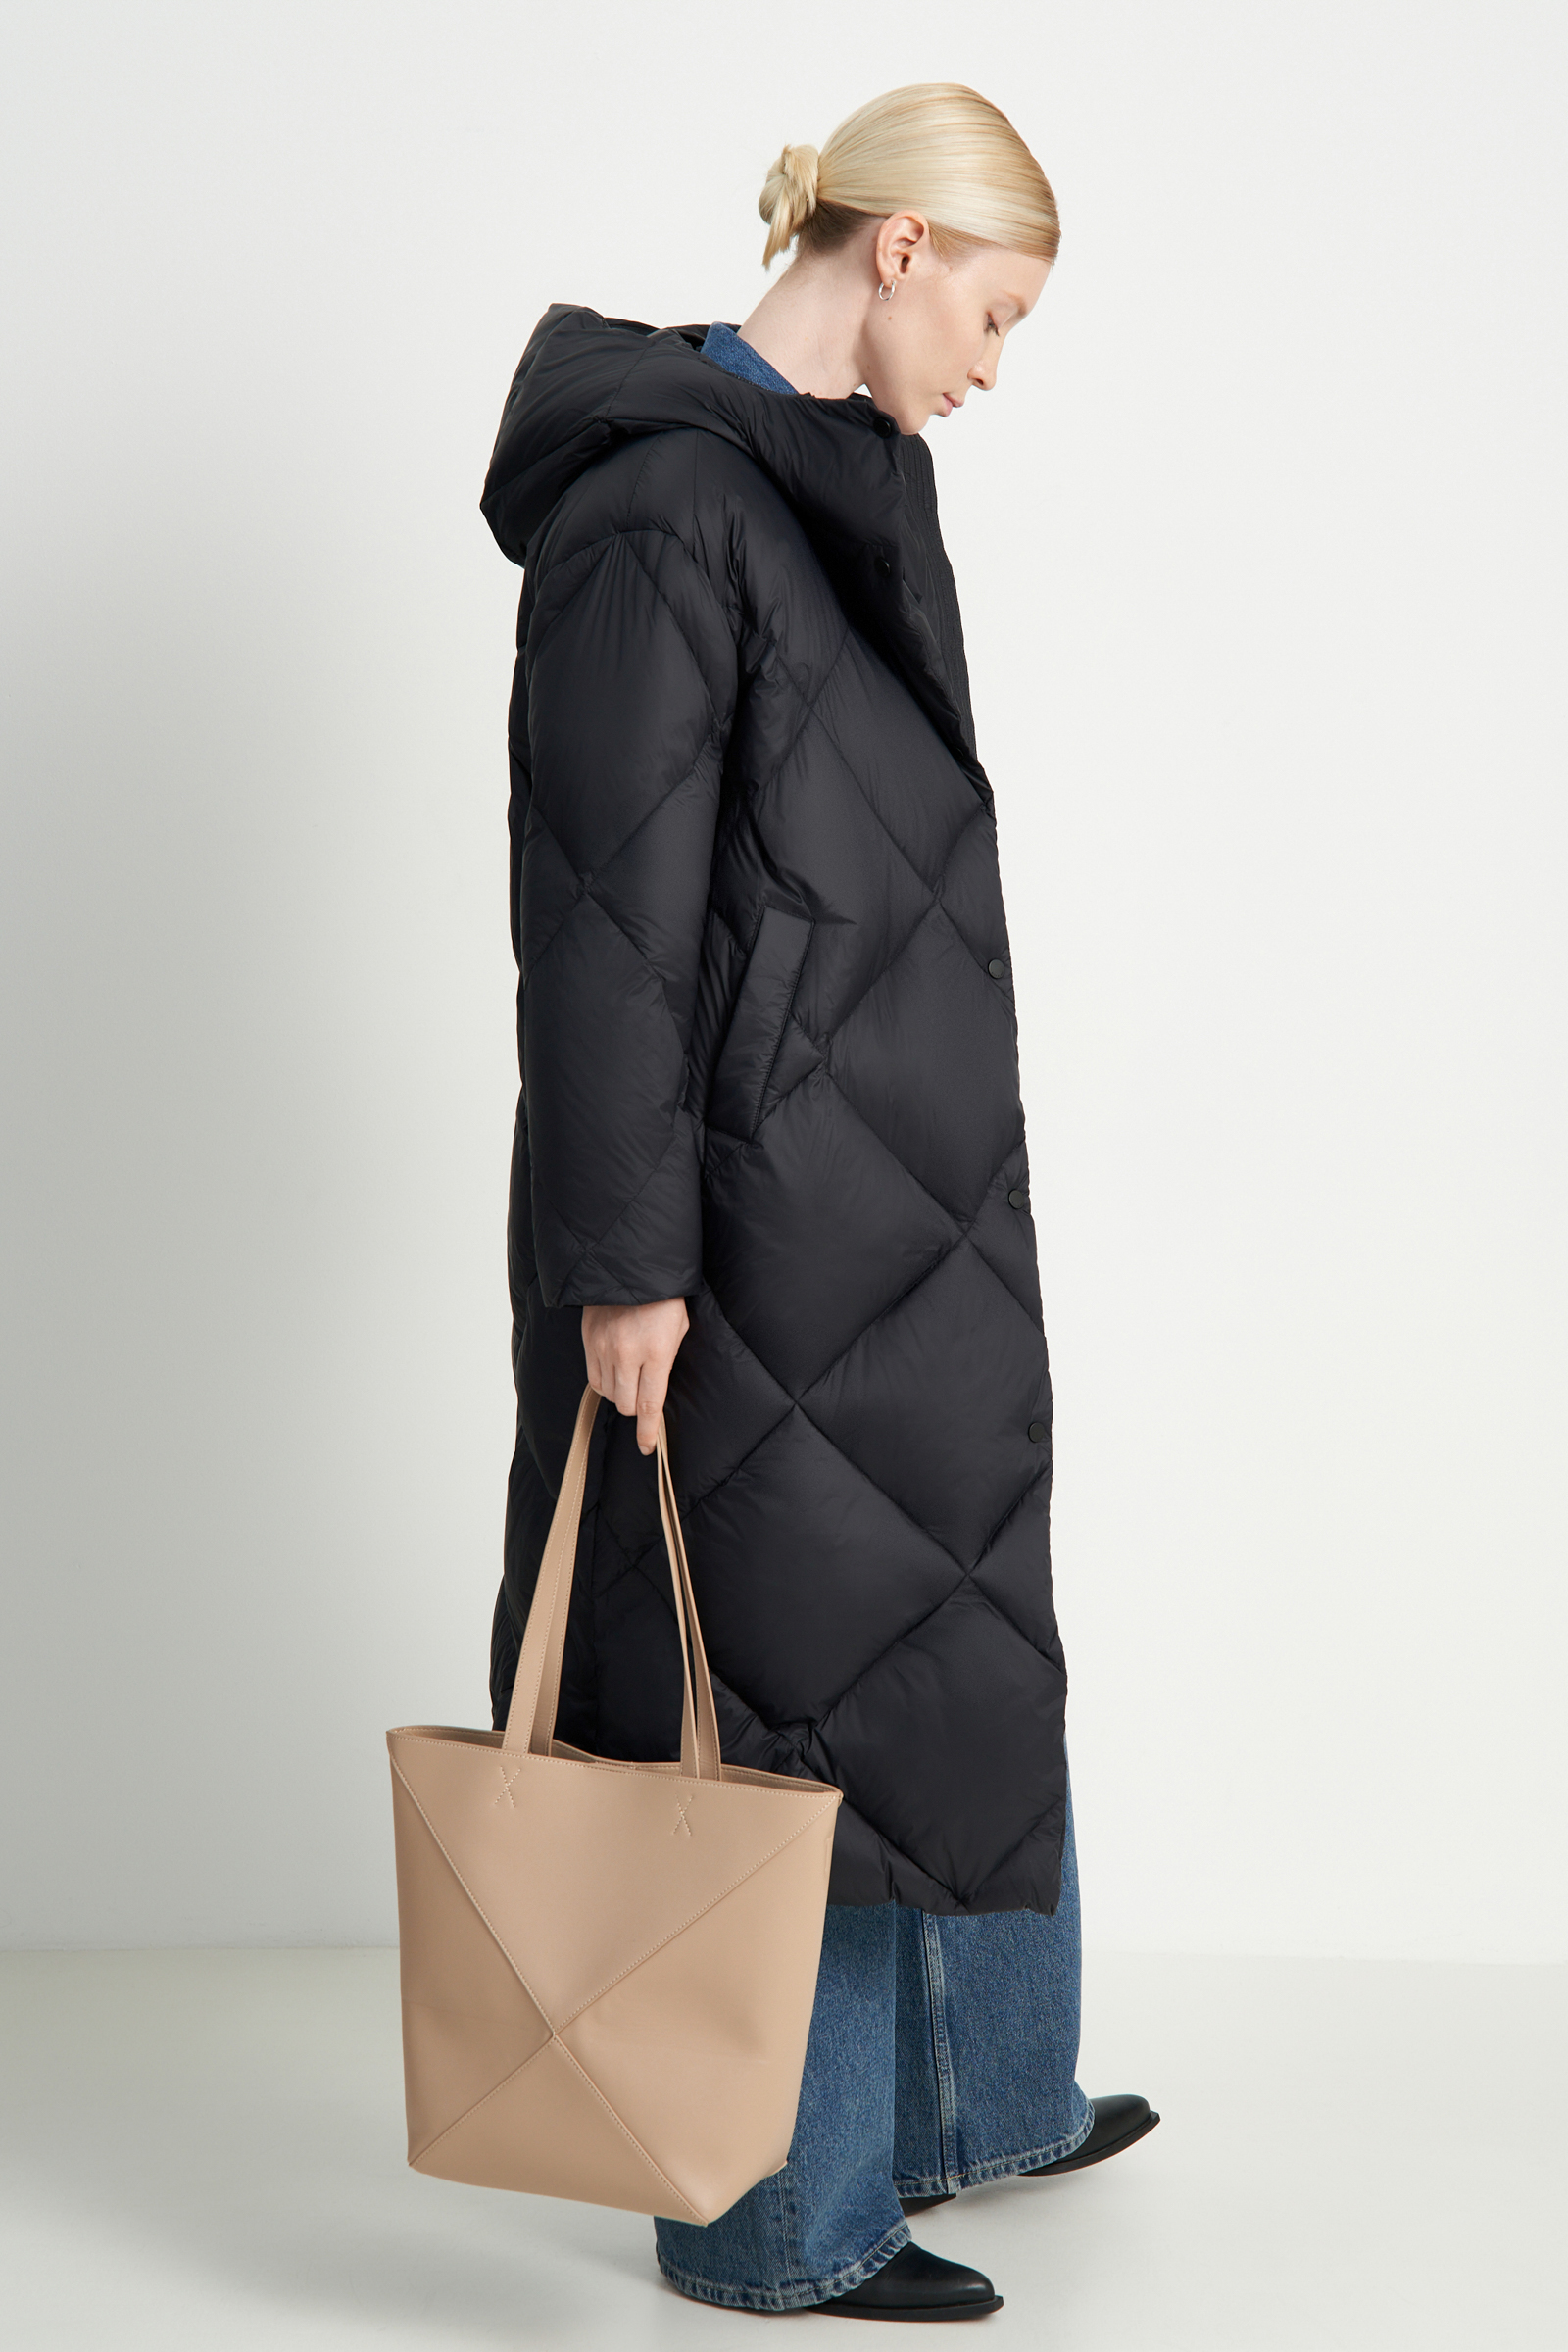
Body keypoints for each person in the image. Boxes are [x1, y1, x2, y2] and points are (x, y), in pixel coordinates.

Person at [479, 81, 1156, 2322]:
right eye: (992, 312)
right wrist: (623, 1264)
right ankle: (781, 2217)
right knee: (781, 1695)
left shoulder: (838, 476)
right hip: (749, 1229)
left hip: (891, 1200)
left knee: (941, 1634)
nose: (992, 365)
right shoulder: (658, 510)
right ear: (896, 250)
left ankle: (981, 2102)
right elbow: (605, 925)